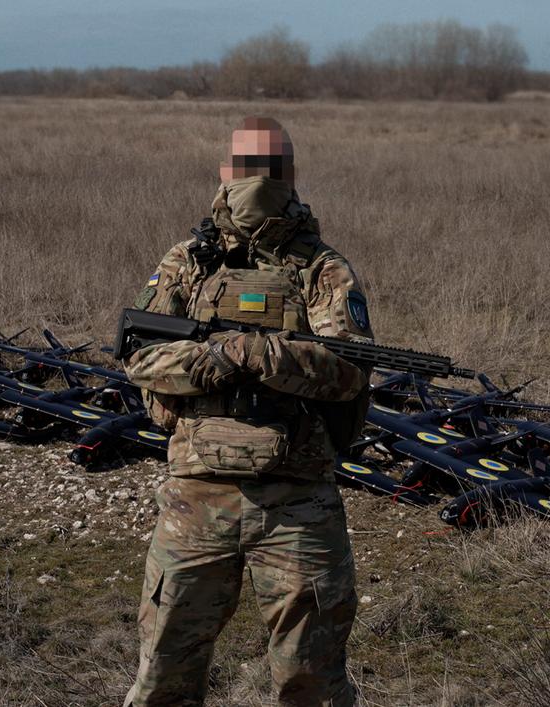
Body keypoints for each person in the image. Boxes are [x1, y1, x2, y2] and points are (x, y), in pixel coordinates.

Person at [121, 116, 373, 707]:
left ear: (292, 176)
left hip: (298, 504)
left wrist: (262, 354)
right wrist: (211, 361)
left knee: (312, 682)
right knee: (164, 675)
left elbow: (349, 372)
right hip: (194, 500)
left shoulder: (323, 269)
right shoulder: (188, 261)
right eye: (246, 167)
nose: (259, 180)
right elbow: (139, 355)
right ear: (223, 173)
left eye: (273, 168)